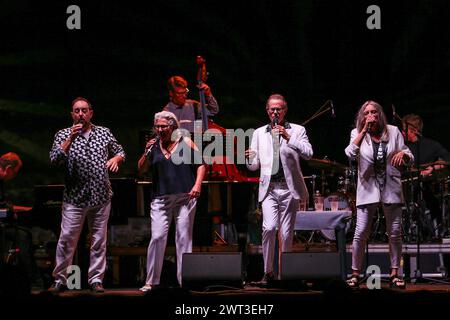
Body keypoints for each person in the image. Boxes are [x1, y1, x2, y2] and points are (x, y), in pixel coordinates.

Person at [48, 97, 125, 293]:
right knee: (67, 239)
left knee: (98, 240)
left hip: (101, 196)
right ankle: (59, 279)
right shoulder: (63, 134)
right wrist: (69, 140)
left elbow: (120, 151)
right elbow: (54, 160)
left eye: (84, 110)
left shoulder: (103, 132)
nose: (81, 114)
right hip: (75, 198)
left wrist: (116, 158)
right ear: (72, 114)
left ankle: (96, 280)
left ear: (91, 113)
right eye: (77, 111)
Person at [245, 94, 313, 285]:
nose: (275, 112)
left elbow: (308, 154)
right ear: (267, 111)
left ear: (285, 110)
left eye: (279, 109)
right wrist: (249, 158)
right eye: (272, 109)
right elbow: (254, 166)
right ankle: (268, 273)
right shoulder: (259, 133)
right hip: (269, 189)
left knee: (285, 233)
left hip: (289, 189)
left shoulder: (298, 130)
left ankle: (285, 275)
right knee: (269, 227)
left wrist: (288, 137)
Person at [345, 100, 413, 289]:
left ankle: (394, 274)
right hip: (367, 190)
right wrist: (363, 131)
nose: (370, 116)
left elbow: (407, 152)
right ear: (362, 116)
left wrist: (405, 155)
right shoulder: (357, 133)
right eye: (366, 113)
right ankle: (355, 273)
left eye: (374, 112)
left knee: (395, 234)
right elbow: (350, 153)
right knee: (360, 233)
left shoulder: (393, 131)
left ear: (380, 114)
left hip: (391, 188)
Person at [137, 111, 206, 291]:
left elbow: (200, 165)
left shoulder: (186, 142)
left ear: (173, 127)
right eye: (157, 126)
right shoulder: (153, 146)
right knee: (158, 236)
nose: (160, 130)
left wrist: (197, 185)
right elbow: (142, 169)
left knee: (183, 237)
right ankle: (151, 281)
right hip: (160, 198)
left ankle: (185, 281)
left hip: (185, 197)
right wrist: (146, 152)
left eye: (163, 126)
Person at [401, 114, 450, 235]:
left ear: (413, 131)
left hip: (428, 189)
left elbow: (447, 159)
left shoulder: (431, 145)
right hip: (406, 188)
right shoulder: (402, 147)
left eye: (404, 129)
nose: (402, 132)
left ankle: (436, 229)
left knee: (431, 200)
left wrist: (432, 168)